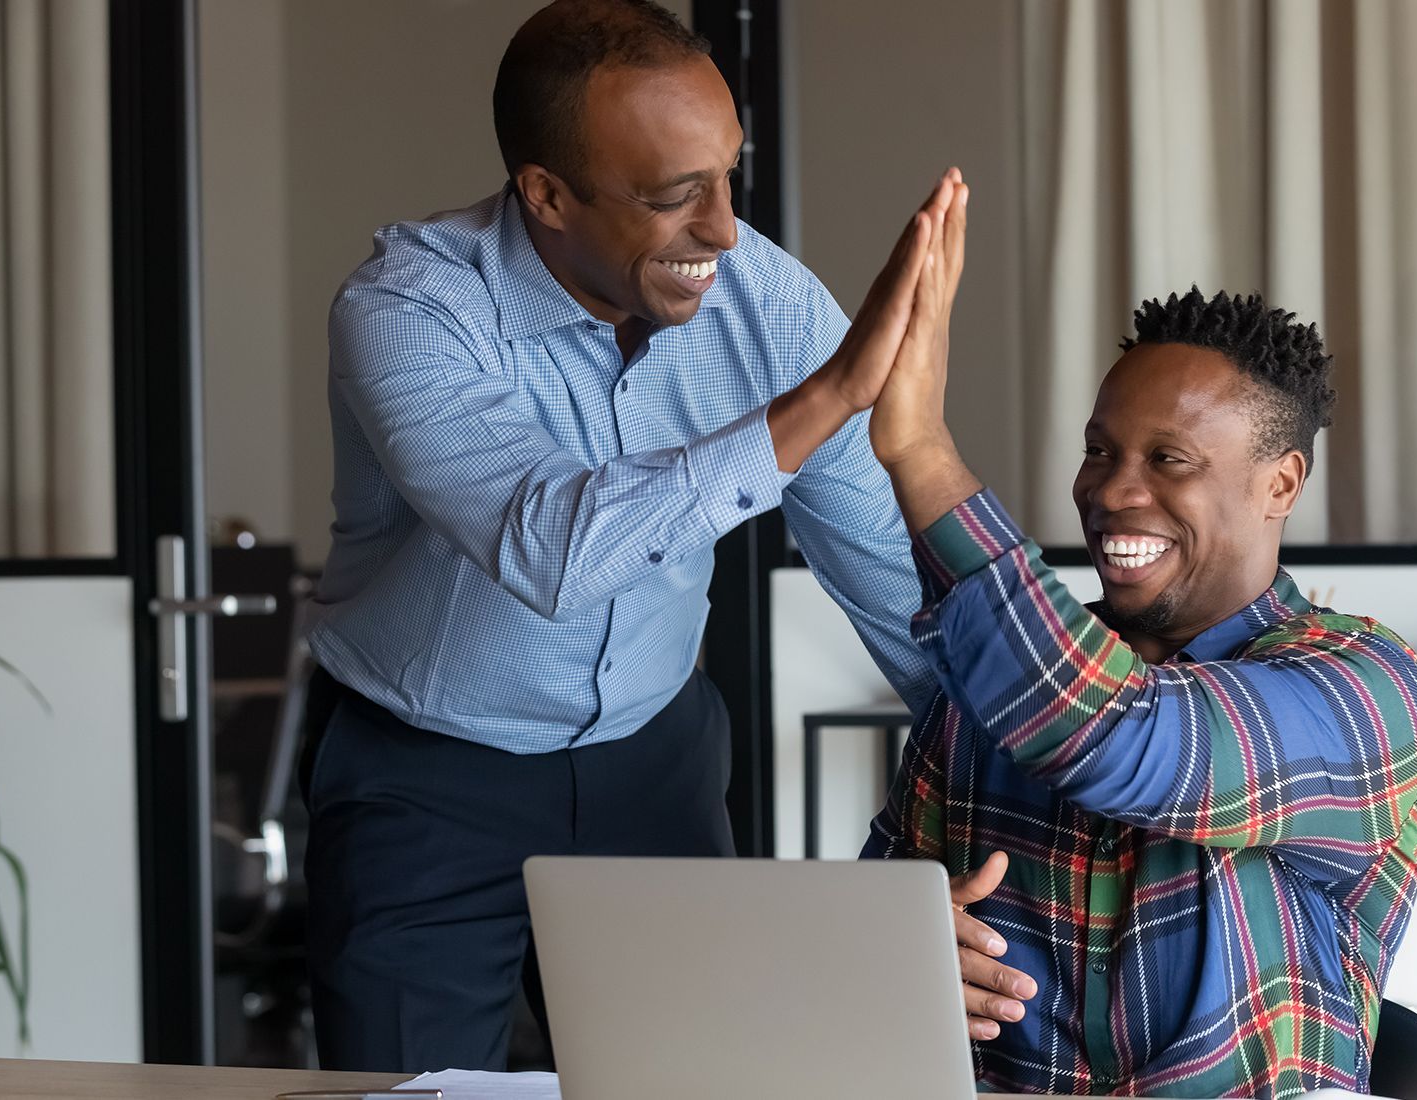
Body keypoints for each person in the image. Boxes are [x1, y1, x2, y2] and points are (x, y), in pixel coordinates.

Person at [300, 0, 957, 1072]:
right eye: (673, 195)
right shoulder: (407, 308)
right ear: (547, 194)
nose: (725, 230)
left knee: (692, 1083)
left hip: (654, 759)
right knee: (409, 1091)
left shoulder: (764, 298)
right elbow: (547, 548)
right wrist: (826, 397)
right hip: (423, 776)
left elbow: (890, 573)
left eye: (727, 174)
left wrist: (1031, 765)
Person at [860, 183, 1417, 1098]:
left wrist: (922, 451)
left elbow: (1124, 738)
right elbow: (876, 912)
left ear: (1280, 484)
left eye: (1167, 460)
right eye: (1100, 451)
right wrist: (909, 952)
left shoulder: (1364, 688)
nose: (1112, 492)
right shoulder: (989, 687)